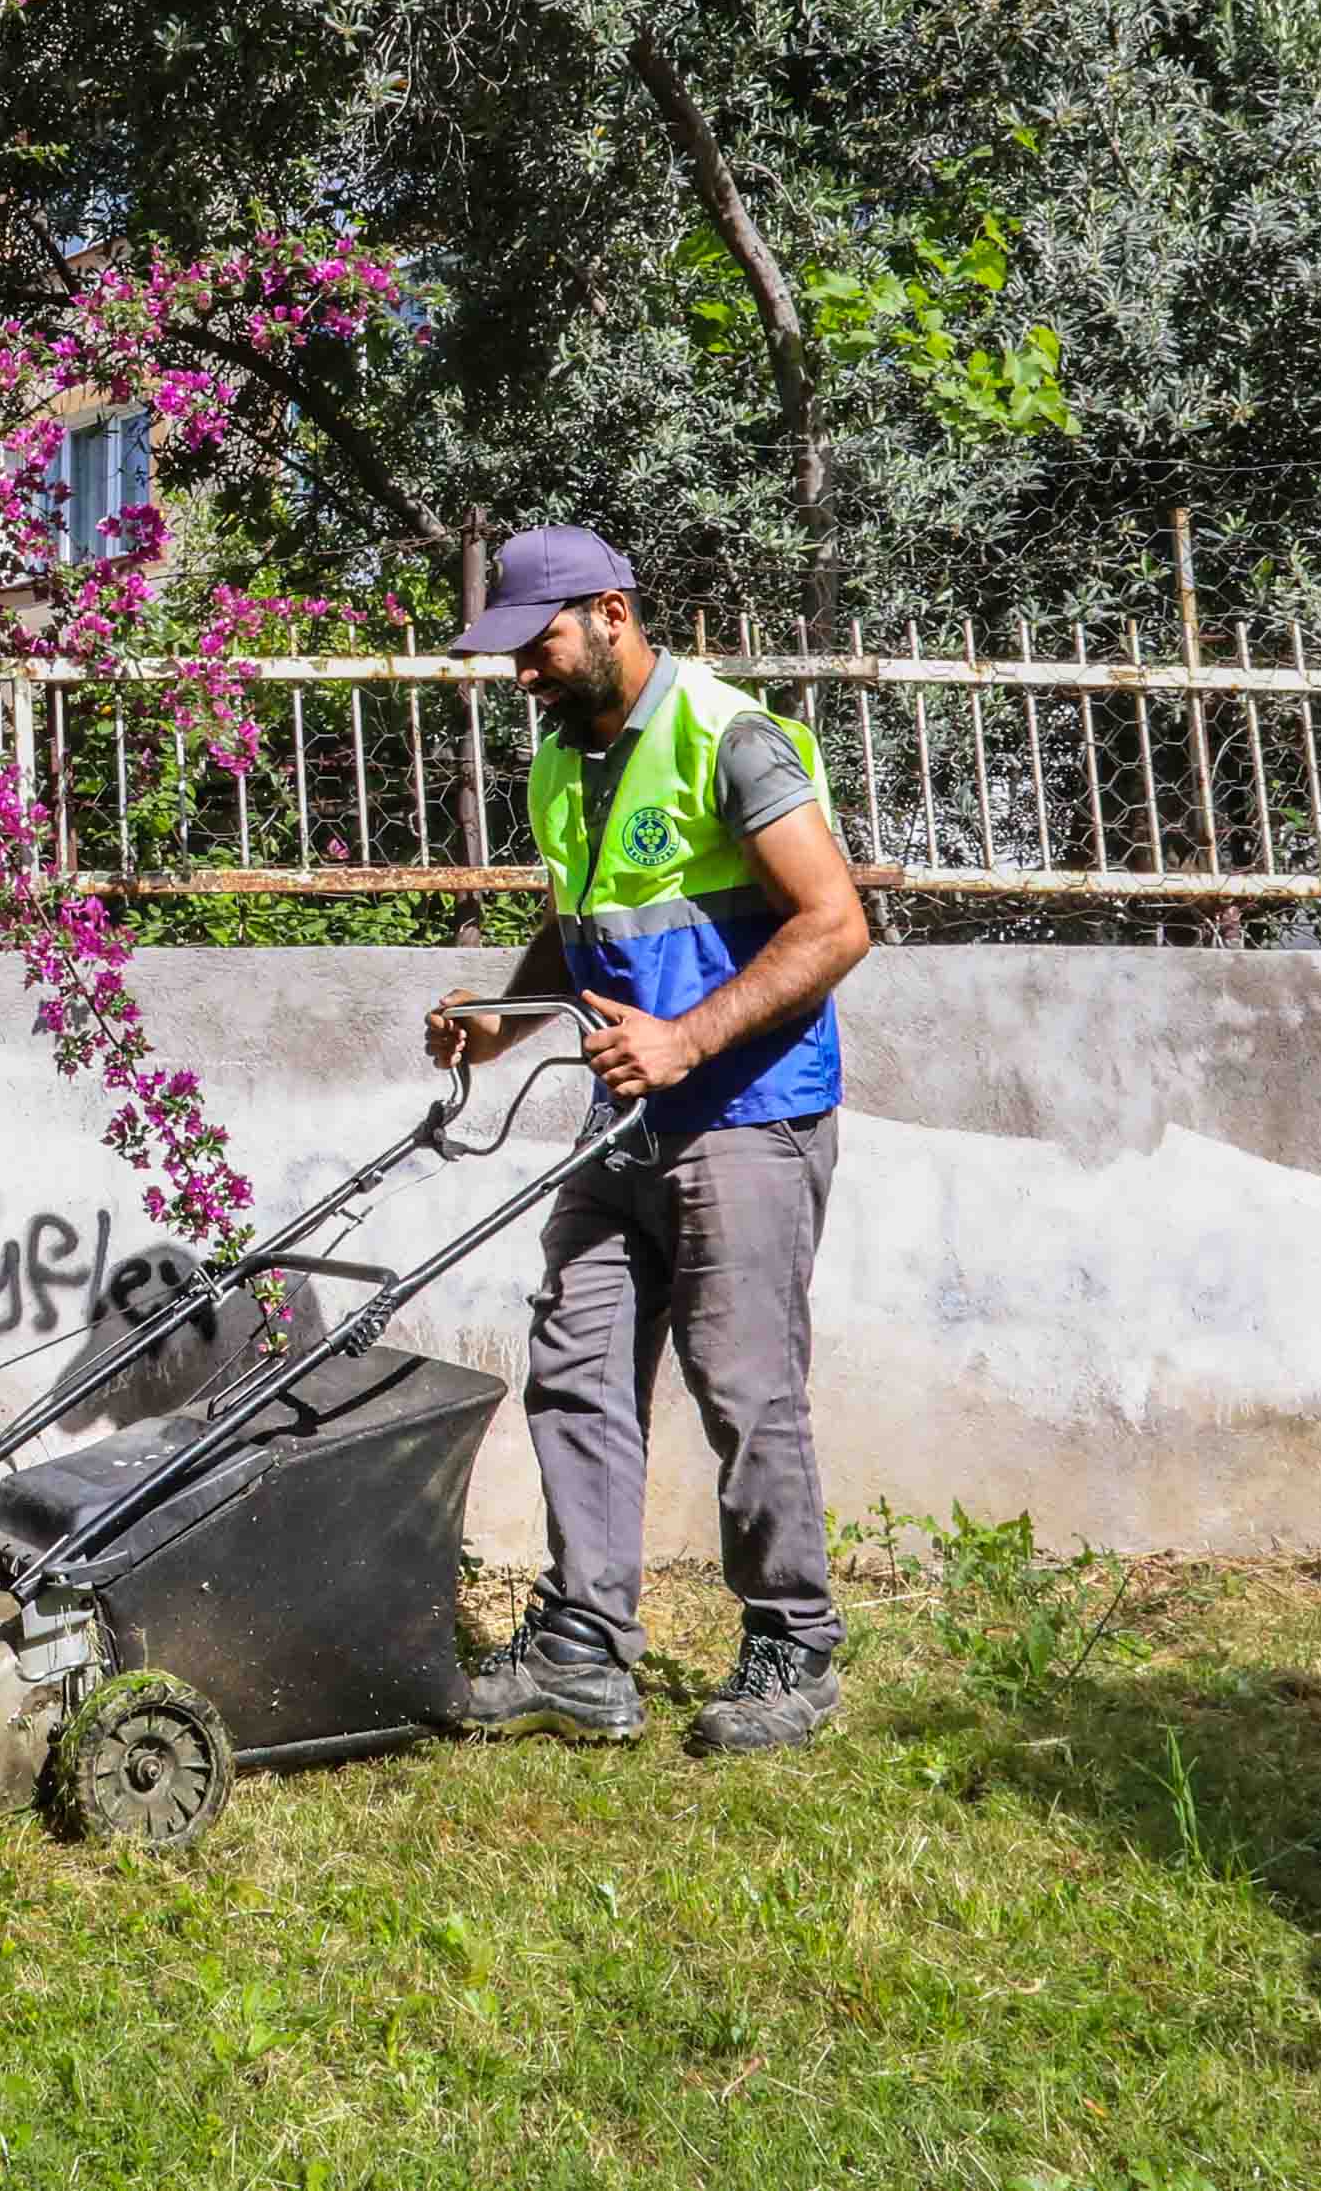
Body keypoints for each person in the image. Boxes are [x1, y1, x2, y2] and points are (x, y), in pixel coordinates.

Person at [426, 526, 873, 1756]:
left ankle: (792, 1644)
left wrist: (681, 1041)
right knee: (572, 1366)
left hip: (750, 1117)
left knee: (742, 1388)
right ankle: (580, 1647)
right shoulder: (561, 762)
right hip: (618, 1127)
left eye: (538, 644)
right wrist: (501, 1026)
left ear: (610, 614)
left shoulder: (728, 738)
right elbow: (579, 931)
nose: (521, 672)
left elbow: (834, 924)